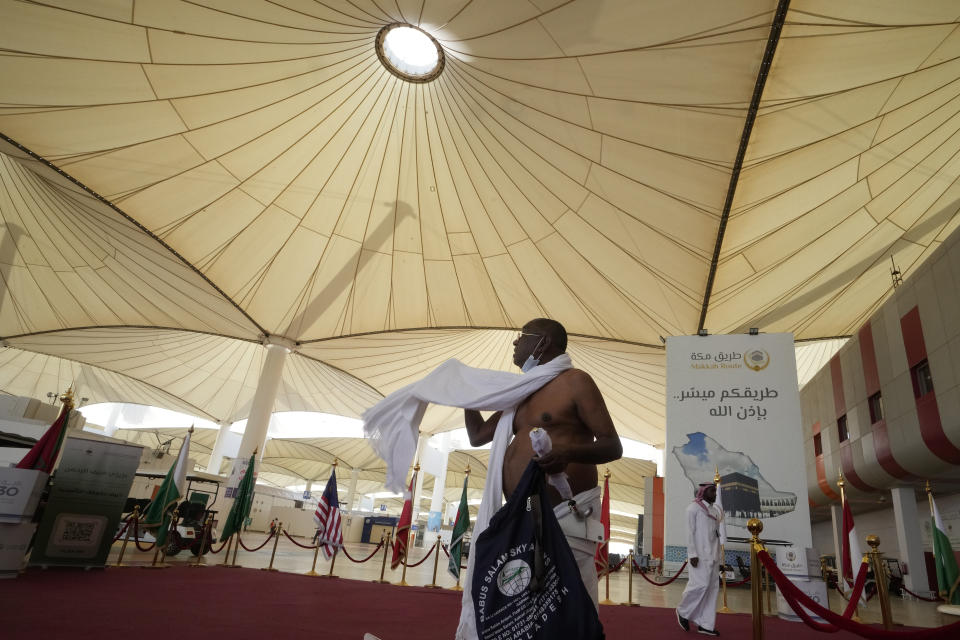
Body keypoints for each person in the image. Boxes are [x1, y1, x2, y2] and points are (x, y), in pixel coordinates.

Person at [463, 318, 623, 614]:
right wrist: (467, 396)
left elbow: (613, 445)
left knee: (571, 606)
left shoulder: (576, 381)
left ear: (542, 342)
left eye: (521, 336)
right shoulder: (520, 392)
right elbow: (478, 436)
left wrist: (567, 453)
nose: (515, 343)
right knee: (525, 607)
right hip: (522, 513)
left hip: (567, 512)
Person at [677, 483, 723, 636]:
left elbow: (717, 536)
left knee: (712, 590)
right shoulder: (693, 509)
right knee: (700, 585)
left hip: (714, 556)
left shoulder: (714, 510)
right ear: (702, 492)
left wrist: (720, 560)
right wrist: (692, 554)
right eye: (712, 491)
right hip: (700, 556)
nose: (715, 494)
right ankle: (683, 611)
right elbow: (689, 533)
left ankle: (706, 625)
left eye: (716, 491)